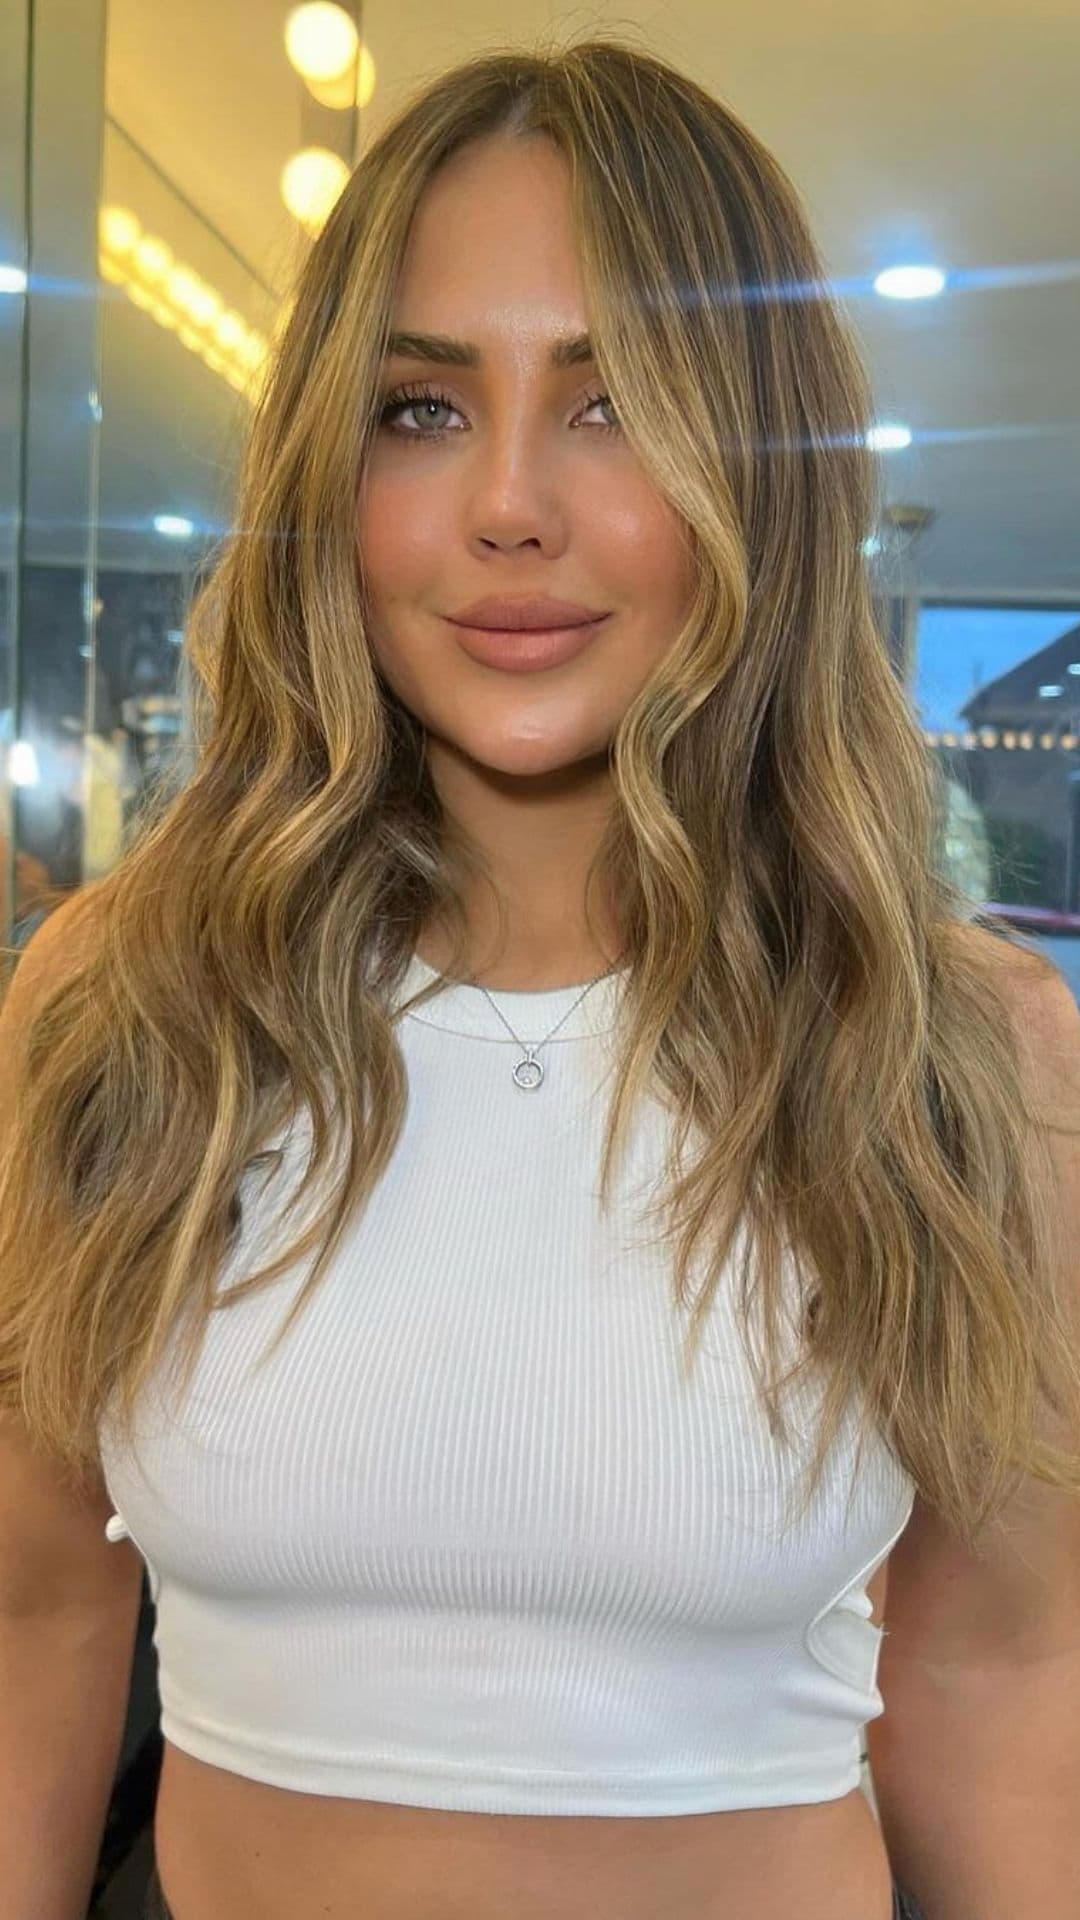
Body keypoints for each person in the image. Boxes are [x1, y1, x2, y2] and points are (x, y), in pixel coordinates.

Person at [3, 36, 1080, 1920]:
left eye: (616, 406)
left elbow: (1002, 1671)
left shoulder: (965, 1051)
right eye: (423, 411)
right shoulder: (123, 1005)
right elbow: (35, 1612)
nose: (510, 504)